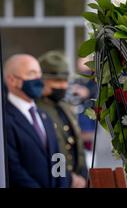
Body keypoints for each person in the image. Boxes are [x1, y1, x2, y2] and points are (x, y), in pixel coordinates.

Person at [4, 54, 70, 187]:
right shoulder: (5, 118)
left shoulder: (44, 115)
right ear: (12, 80)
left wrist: (62, 184)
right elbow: (13, 169)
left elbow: (58, 158)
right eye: (31, 74)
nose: (39, 79)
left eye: (39, 73)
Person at [37, 51, 87, 188]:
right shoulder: (35, 110)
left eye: (65, 80)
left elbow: (78, 148)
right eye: (57, 81)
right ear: (42, 80)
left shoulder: (65, 107)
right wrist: (69, 180)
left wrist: (83, 177)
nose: (62, 86)